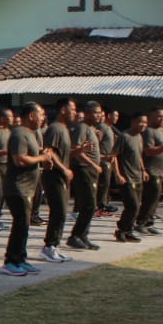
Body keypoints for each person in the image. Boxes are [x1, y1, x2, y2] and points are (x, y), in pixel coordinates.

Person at [1, 103, 52, 275]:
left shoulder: (31, 134)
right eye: (41, 114)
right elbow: (19, 159)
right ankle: (11, 261)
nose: (43, 118)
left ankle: (20, 259)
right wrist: (41, 158)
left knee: (24, 226)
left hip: (27, 189)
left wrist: (44, 159)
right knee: (20, 225)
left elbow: (32, 156)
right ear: (31, 115)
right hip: (18, 188)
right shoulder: (19, 134)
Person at [39, 98, 76, 264]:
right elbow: (49, 151)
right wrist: (64, 169)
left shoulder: (64, 129)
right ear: (63, 110)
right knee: (58, 211)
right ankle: (48, 247)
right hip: (54, 176)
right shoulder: (55, 128)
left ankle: (54, 245)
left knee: (62, 212)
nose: (74, 113)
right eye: (72, 109)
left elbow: (62, 152)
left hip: (62, 177)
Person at [65, 100, 104, 251]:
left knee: (89, 205)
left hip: (90, 171)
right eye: (95, 113)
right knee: (89, 205)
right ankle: (75, 236)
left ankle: (83, 236)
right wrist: (93, 164)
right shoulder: (82, 127)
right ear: (87, 114)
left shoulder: (91, 129)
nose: (98, 115)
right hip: (84, 170)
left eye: (100, 113)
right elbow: (77, 150)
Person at [135, 107, 163, 236]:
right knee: (151, 197)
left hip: (160, 170)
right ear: (151, 117)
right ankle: (141, 222)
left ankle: (149, 223)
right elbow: (149, 151)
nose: (162, 119)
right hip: (150, 170)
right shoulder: (149, 131)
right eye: (159, 116)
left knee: (156, 198)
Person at [113, 113, 149, 242]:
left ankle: (128, 231)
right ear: (133, 122)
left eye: (145, 122)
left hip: (137, 176)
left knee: (137, 206)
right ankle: (121, 230)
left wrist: (143, 170)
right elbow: (113, 156)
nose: (143, 125)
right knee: (132, 206)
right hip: (126, 177)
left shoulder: (139, 137)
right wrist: (117, 174)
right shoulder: (124, 136)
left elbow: (139, 156)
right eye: (140, 122)